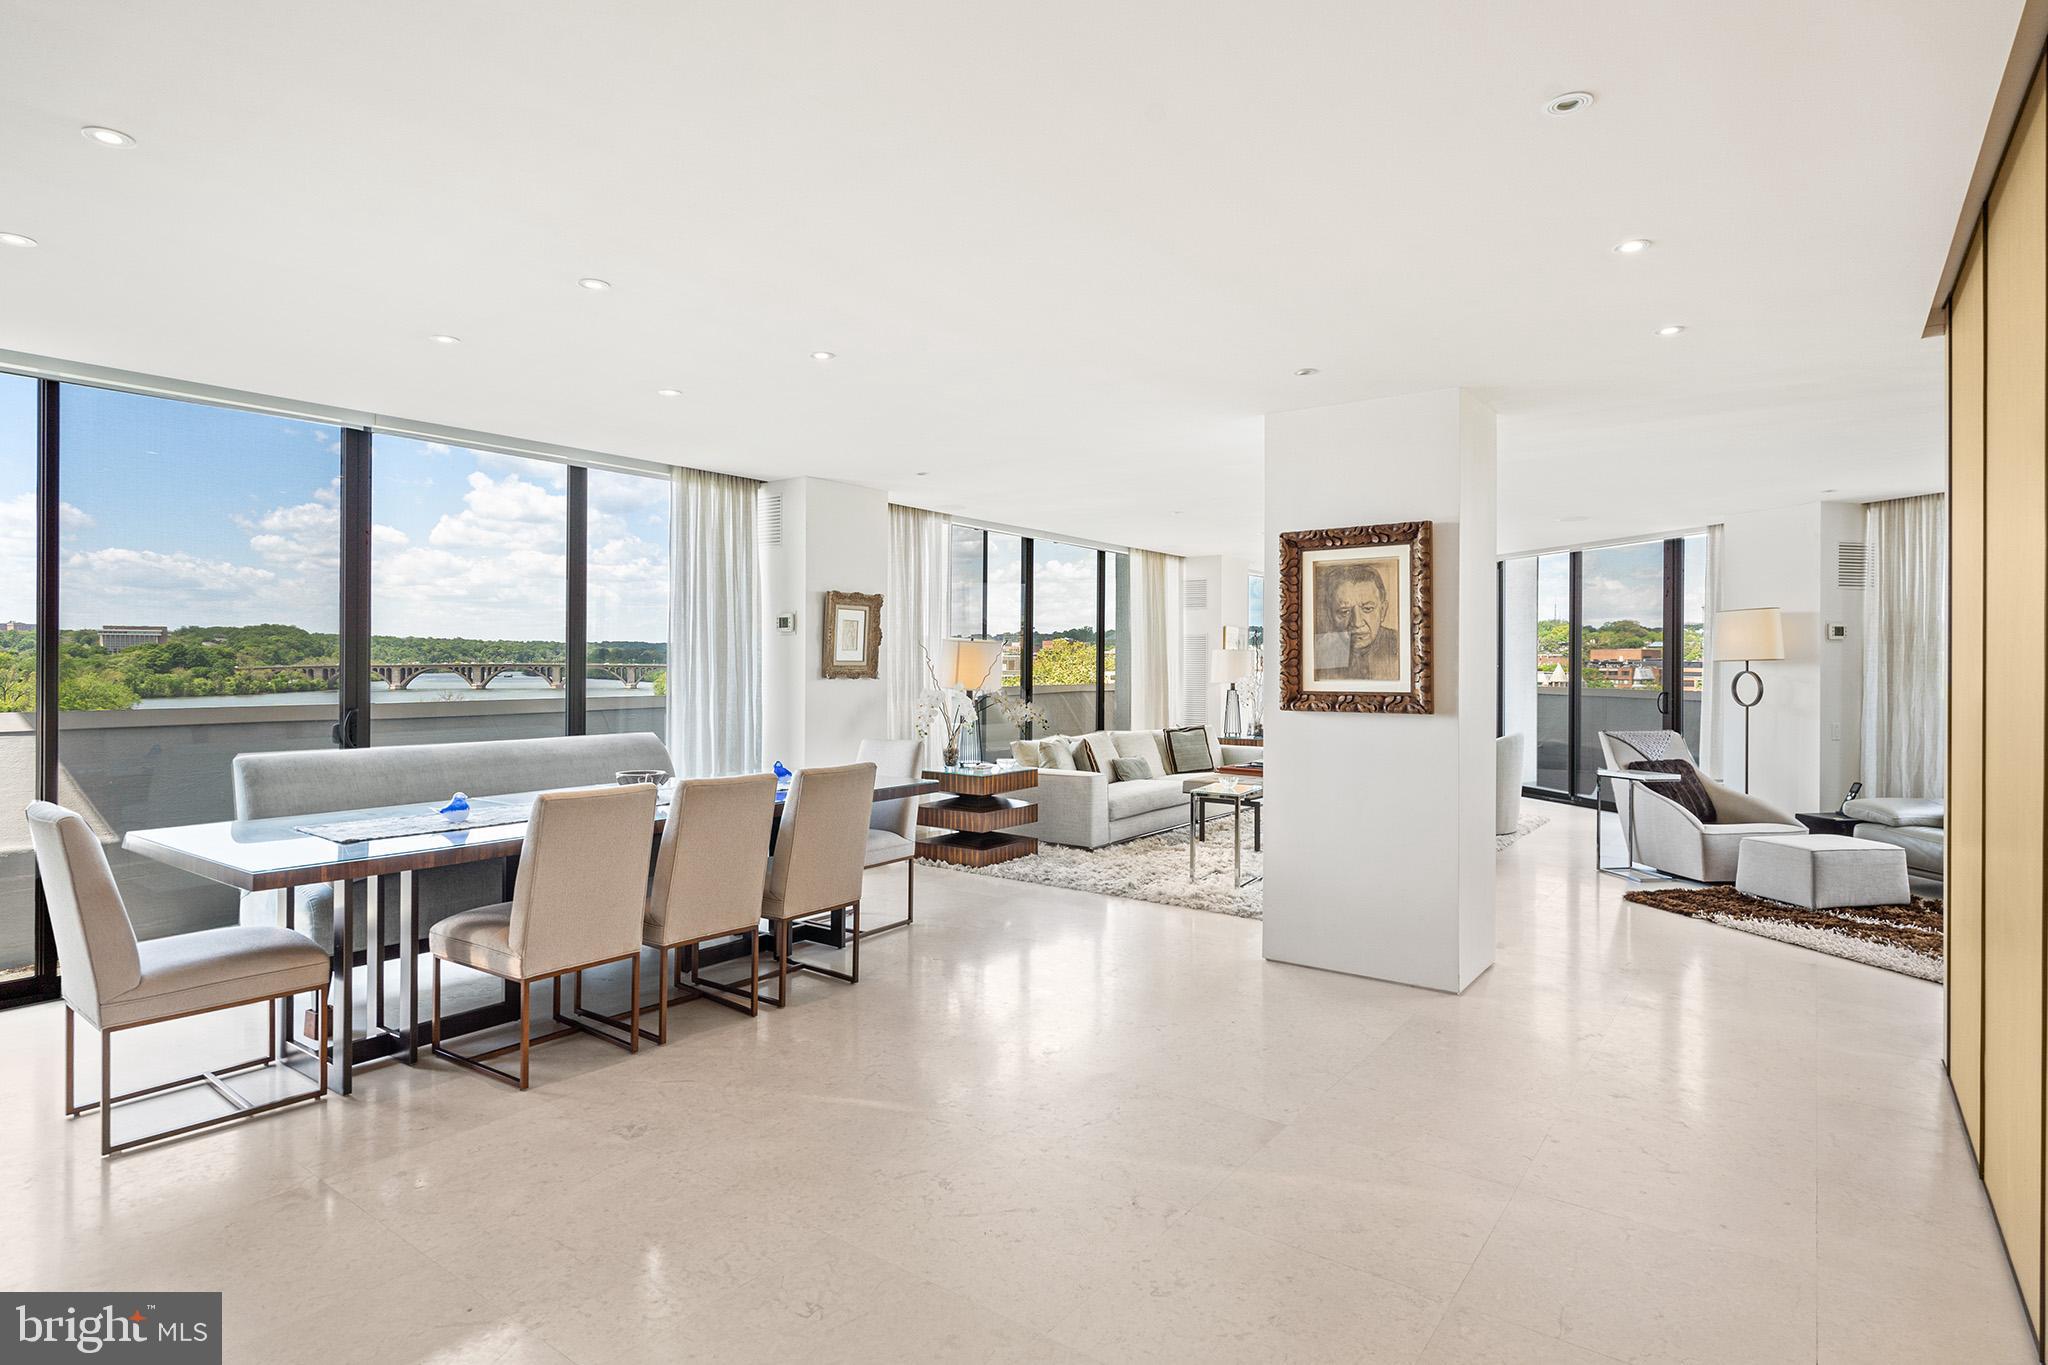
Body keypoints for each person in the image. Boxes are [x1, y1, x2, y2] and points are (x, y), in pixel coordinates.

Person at [1314, 561, 1400, 681]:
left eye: (1367, 609)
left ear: (1383, 611)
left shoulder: (1402, 645)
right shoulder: (1318, 652)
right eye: (1344, 611)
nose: (1357, 622)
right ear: (1330, 614)